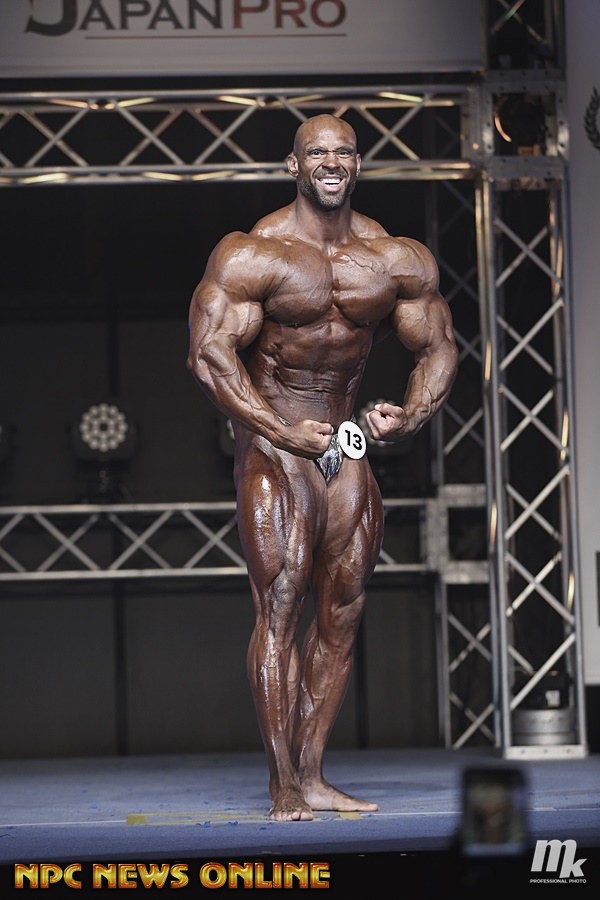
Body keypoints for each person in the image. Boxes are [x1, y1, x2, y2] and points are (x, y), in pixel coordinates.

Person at [187, 114, 458, 821]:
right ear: (294, 165)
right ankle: (281, 783)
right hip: (276, 442)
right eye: (317, 153)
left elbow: (438, 345)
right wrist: (279, 429)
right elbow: (209, 356)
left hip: (343, 441)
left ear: (358, 164)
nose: (331, 162)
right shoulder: (253, 253)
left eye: (343, 152)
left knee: (343, 609)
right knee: (280, 604)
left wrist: (412, 413)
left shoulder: (396, 259)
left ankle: (311, 775)